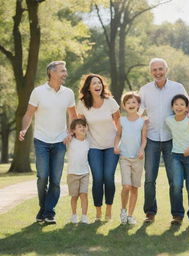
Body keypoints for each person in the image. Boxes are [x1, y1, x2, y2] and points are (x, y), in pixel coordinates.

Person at [19, 61, 77, 224]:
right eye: (62, 71)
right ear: (51, 72)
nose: (65, 74)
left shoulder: (68, 93)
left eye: (65, 70)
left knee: (56, 180)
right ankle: (44, 209)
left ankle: (48, 212)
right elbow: (29, 114)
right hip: (41, 140)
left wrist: (70, 132)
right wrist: (24, 129)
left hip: (60, 141)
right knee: (42, 177)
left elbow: (73, 116)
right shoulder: (38, 92)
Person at [139, 58, 187, 223]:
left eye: (160, 69)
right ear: (150, 72)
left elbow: (186, 109)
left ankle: (177, 214)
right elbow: (138, 112)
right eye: (154, 70)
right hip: (152, 138)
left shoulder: (177, 87)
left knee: (174, 179)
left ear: (166, 70)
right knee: (150, 178)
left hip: (172, 138)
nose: (157, 72)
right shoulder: (145, 90)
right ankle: (150, 213)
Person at [77, 74, 120, 221]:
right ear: (88, 87)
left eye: (99, 83)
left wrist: (118, 144)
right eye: (94, 83)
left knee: (108, 177)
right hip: (93, 146)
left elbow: (119, 125)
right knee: (98, 178)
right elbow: (81, 126)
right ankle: (98, 212)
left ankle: (108, 210)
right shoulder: (82, 104)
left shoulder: (110, 102)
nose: (98, 85)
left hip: (111, 146)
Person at [114, 92, 148, 225]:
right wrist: (116, 146)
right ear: (124, 106)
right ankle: (123, 210)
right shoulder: (121, 120)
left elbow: (144, 140)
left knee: (134, 187)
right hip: (125, 157)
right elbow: (118, 135)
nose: (131, 105)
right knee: (126, 186)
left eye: (134, 102)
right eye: (128, 103)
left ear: (138, 104)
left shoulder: (142, 122)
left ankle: (130, 215)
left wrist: (141, 150)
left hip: (138, 158)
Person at [165, 94, 189, 225]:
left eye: (182, 104)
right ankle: (177, 215)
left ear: (186, 108)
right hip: (176, 157)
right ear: (172, 107)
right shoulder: (168, 120)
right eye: (176, 104)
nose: (178, 106)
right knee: (176, 186)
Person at [67, 118, 90, 224]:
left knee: (84, 194)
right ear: (73, 131)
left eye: (83, 126)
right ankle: (74, 215)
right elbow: (66, 137)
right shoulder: (71, 141)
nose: (82, 128)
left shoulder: (88, 142)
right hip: (72, 173)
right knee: (74, 196)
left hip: (84, 173)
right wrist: (70, 135)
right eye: (79, 127)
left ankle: (84, 216)